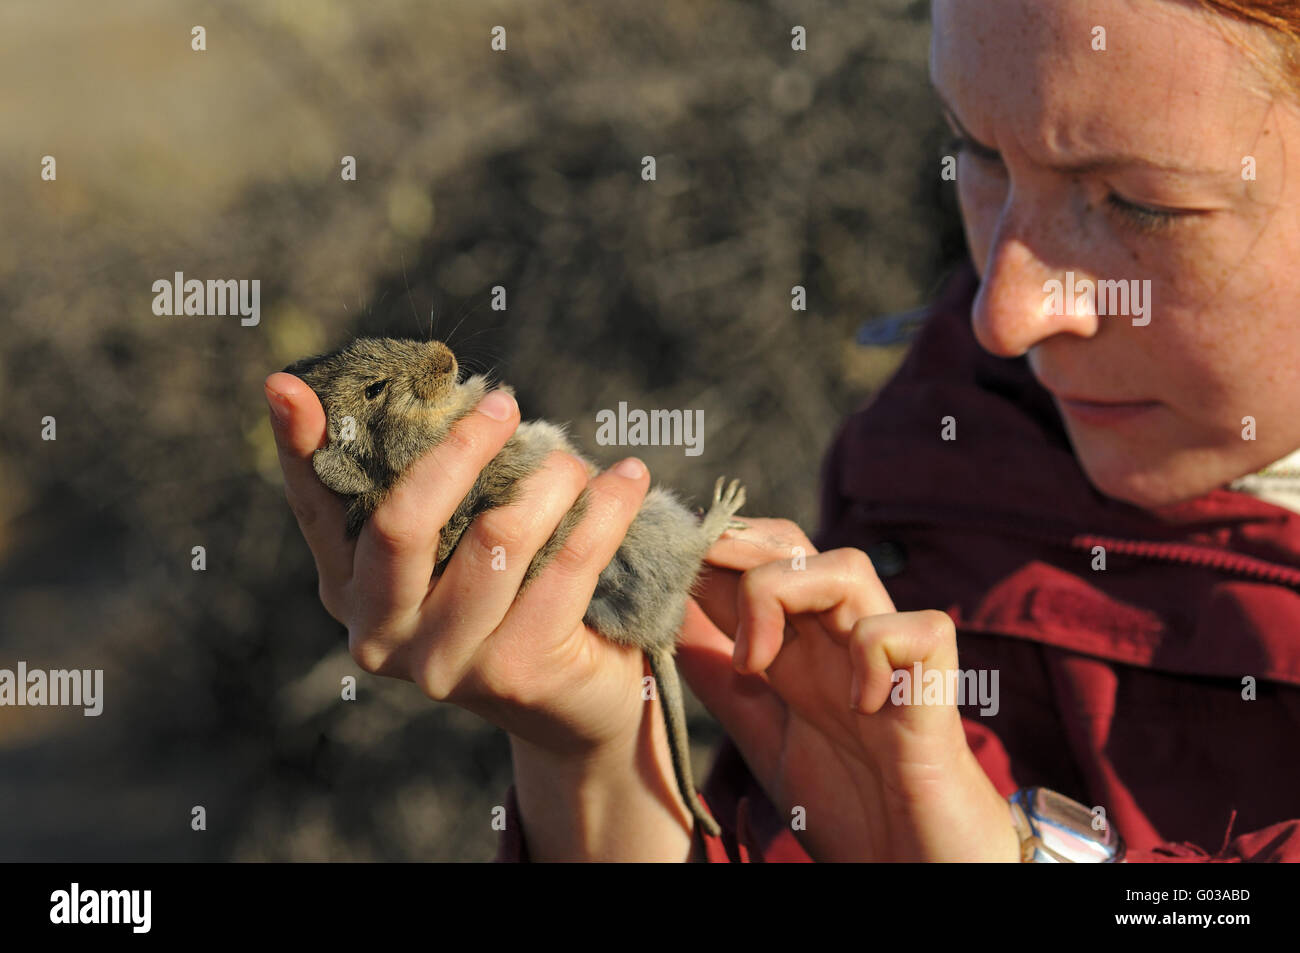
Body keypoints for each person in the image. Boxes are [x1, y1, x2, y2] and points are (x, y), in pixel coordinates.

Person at [264, 0, 1300, 862]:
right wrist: (593, 755)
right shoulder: (947, 457)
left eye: (1140, 205)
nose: (1005, 313)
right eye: (976, 151)